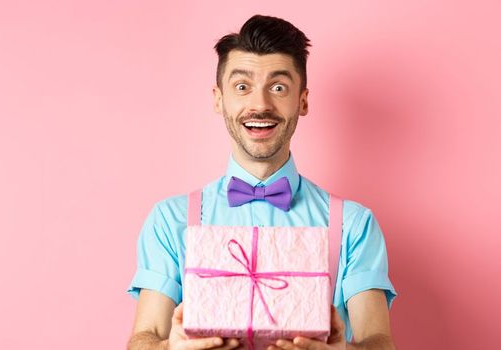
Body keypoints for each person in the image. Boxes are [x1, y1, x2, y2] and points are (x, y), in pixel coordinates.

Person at [126, 14, 397, 350]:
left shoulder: (354, 225)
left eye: (278, 87)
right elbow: (144, 338)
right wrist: (170, 348)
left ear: (303, 100)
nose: (260, 105)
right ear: (218, 98)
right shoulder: (170, 220)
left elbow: (379, 342)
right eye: (242, 87)